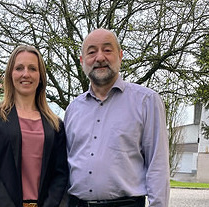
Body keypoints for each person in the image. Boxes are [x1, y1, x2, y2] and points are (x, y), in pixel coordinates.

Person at [64, 28, 170, 207]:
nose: (99, 58)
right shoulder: (73, 110)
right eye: (91, 52)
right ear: (82, 61)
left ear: (120, 56)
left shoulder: (146, 102)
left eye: (107, 50)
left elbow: (157, 166)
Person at [0, 45, 69, 207]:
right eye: (19, 68)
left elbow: (60, 175)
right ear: (11, 74)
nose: (25, 74)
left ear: (40, 76)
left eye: (32, 68)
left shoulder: (55, 124)